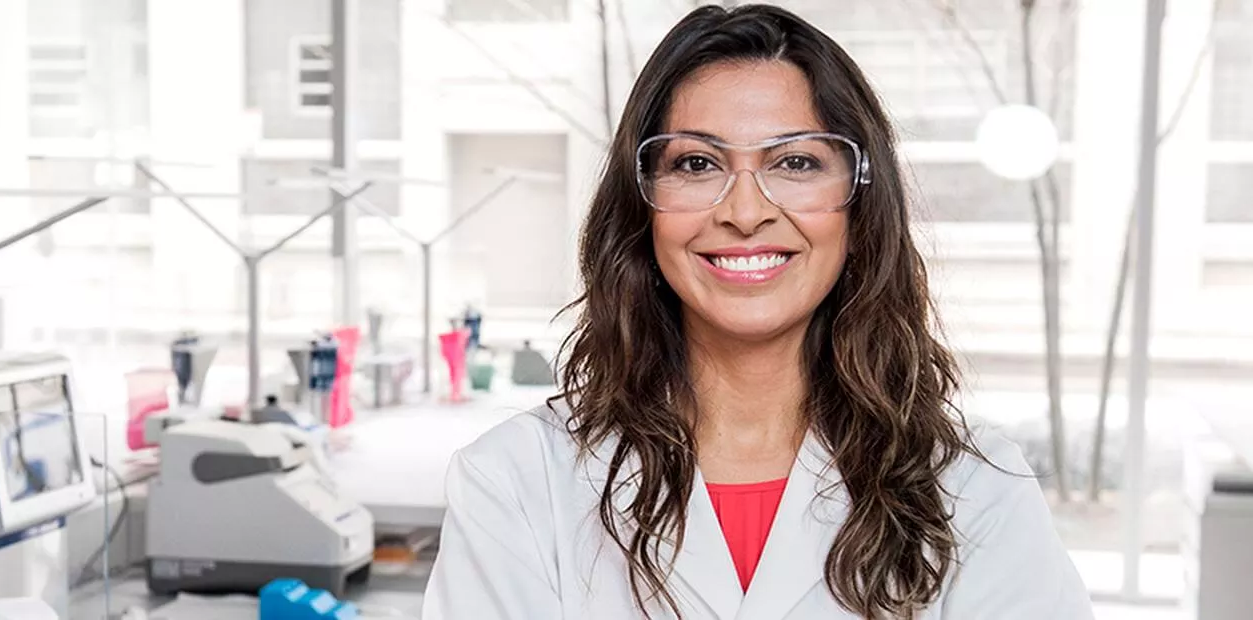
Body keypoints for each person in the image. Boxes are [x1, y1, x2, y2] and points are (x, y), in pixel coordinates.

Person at [421, 5, 1091, 619]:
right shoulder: (516, 482)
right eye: (696, 164)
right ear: (642, 204)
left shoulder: (975, 491)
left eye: (796, 162)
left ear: (858, 206)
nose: (744, 212)